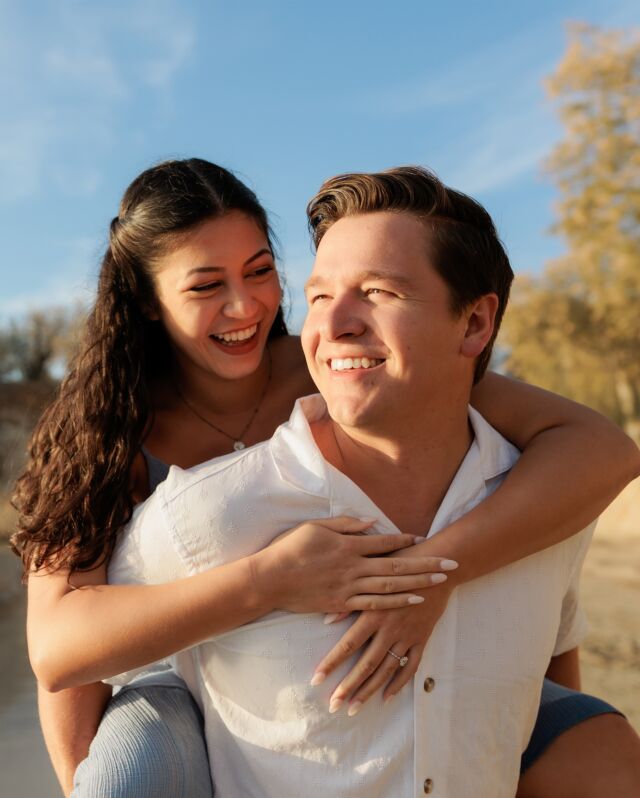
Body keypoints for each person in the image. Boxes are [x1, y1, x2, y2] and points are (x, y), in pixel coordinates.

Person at [11, 160, 639, 797]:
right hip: (187, 677)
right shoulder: (102, 429)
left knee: (597, 743)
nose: (244, 306)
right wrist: (272, 579)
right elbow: (62, 653)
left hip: (395, 666)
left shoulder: (335, 368)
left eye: (260, 272)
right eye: (206, 286)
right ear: (147, 299)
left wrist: (434, 575)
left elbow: (595, 454)